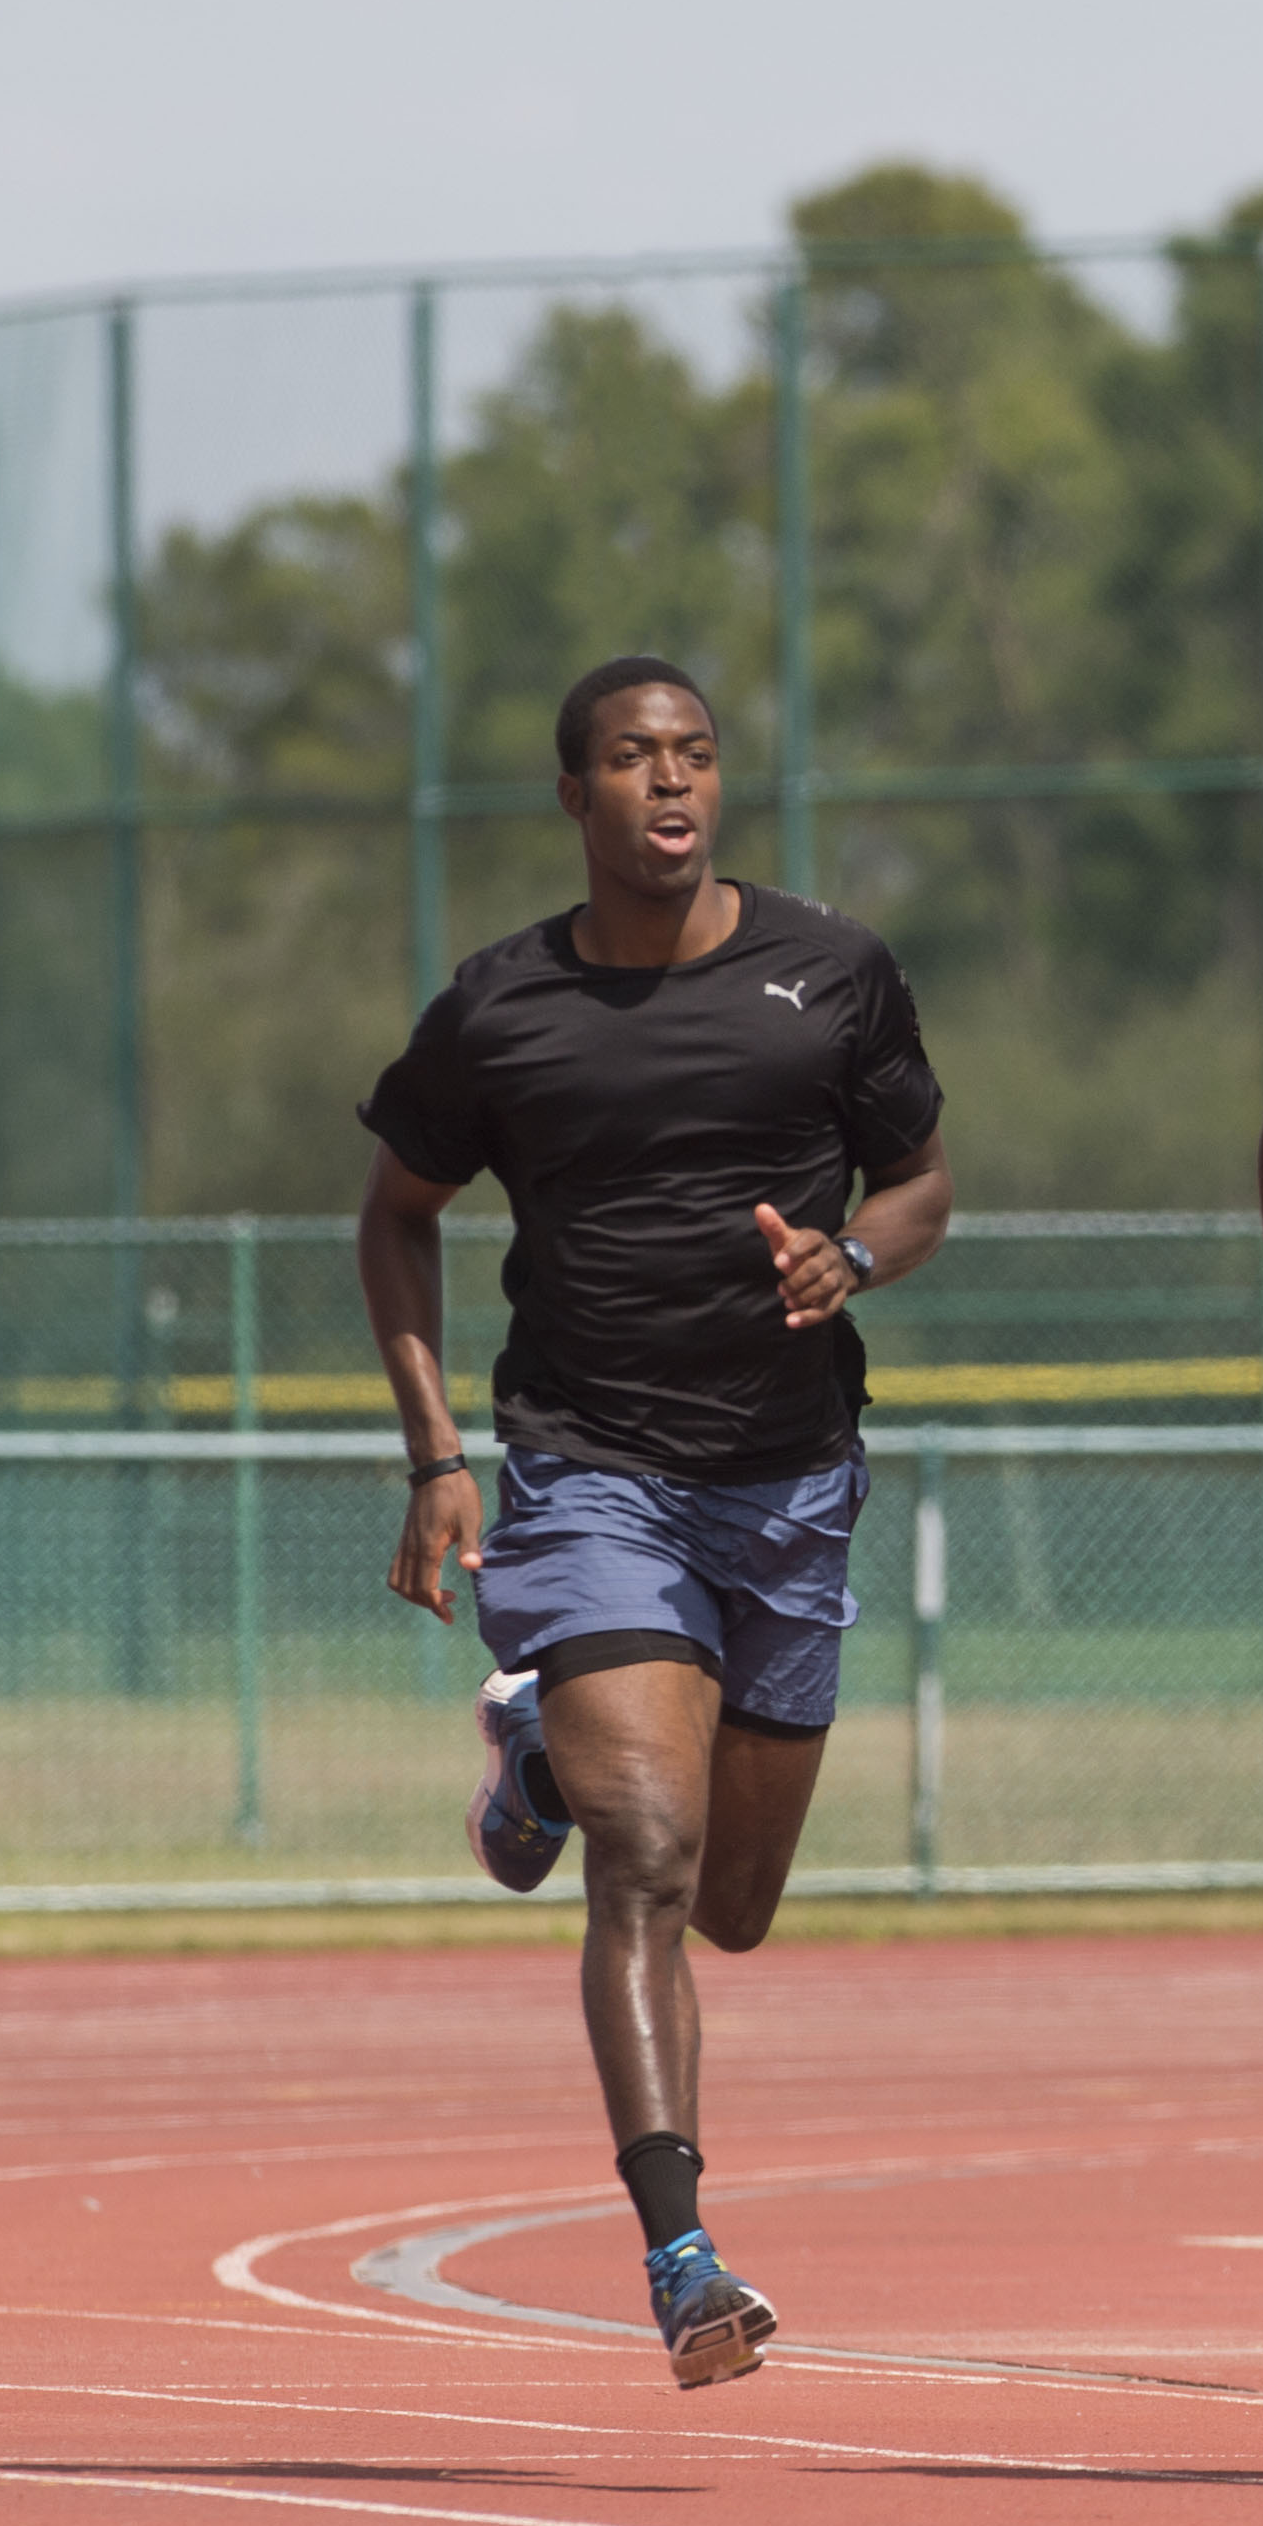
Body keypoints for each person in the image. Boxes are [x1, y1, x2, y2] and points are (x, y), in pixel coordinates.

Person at [354, 653, 951, 2391]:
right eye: (632, 758)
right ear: (575, 794)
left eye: (694, 754)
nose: (670, 784)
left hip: (786, 1484)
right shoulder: (498, 1011)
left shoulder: (832, 973)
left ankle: (532, 1750)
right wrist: (435, 1452)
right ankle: (682, 2256)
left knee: (739, 1904)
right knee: (650, 1854)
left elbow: (921, 1183)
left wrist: (860, 1253)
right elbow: (396, 1217)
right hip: (588, 1466)